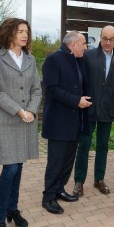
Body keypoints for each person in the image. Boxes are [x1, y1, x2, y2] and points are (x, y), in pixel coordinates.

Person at [0, 18, 42, 227]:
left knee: (19, 166)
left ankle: (12, 210)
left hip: (26, 119)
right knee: (10, 168)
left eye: (27, 31)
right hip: (6, 119)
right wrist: (18, 110)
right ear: (9, 33)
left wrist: (31, 110)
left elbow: (37, 88)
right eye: (20, 31)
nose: (25, 35)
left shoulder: (30, 59)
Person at [41, 31, 91, 215]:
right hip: (58, 122)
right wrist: (76, 100)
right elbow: (52, 89)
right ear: (73, 45)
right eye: (83, 44)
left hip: (74, 121)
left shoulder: (77, 59)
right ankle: (48, 197)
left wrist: (81, 99)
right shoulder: (54, 59)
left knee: (68, 160)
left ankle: (60, 189)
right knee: (56, 161)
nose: (86, 47)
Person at [73, 26, 114, 197]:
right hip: (88, 109)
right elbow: (78, 79)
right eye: (104, 38)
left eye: (111, 39)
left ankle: (99, 179)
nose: (108, 42)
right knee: (84, 145)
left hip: (107, 111)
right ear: (100, 38)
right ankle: (79, 181)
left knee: (103, 146)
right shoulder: (89, 55)